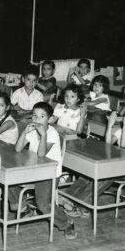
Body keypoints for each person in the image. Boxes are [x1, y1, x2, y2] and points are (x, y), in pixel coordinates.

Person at [11, 102, 77, 239]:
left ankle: (66, 223)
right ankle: (23, 207)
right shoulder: (33, 131)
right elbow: (17, 149)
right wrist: (24, 132)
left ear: (50, 119)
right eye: (34, 116)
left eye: (41, 117)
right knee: (8, 178)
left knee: (43, 204)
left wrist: (43, 135)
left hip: (49, 174)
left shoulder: (51, 133)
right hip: (33, 170)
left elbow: (41, 154)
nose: (37, 120)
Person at [60, 111, 125, 217]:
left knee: (105, 176)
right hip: (115, 166)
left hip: (123, 171)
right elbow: (108, 145)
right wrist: (110, 125)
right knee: (89, 173)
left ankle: (82, 204)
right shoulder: (120, 131)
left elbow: (123, 148)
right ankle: (66, 197)